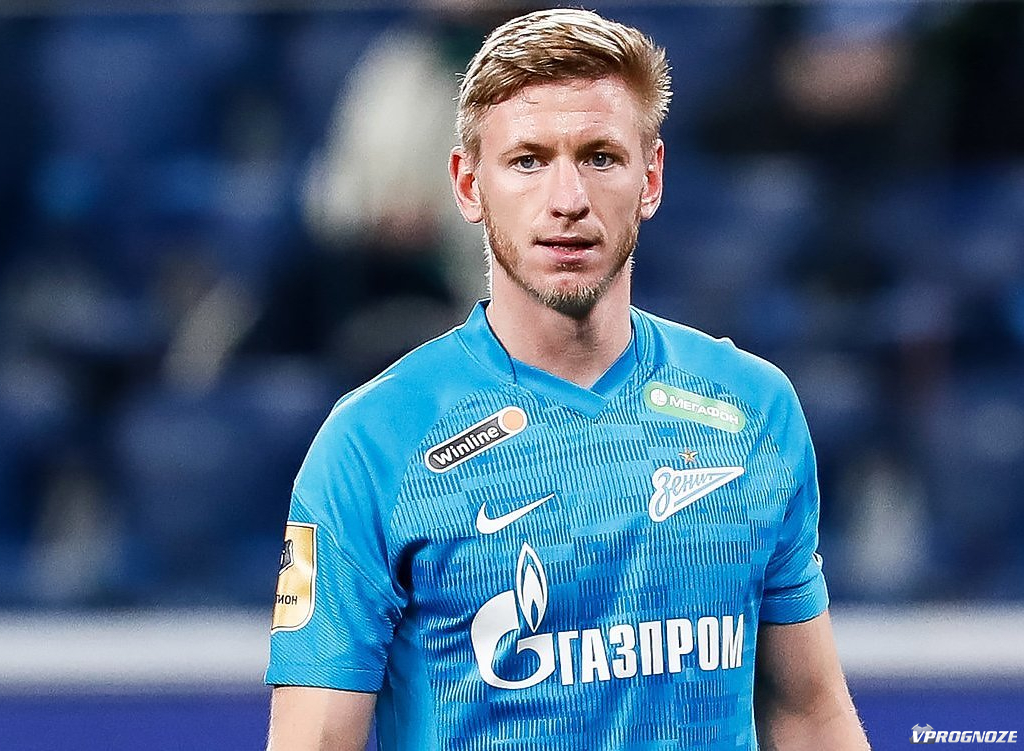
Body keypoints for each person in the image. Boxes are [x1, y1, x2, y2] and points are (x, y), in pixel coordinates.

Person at [265, 9, 871, 750]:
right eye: (527, 161)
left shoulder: (753, 409)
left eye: (600, 157)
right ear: (468, 185)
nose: (567, 200)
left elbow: (809, 714)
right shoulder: (372, 443)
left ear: (651, 178)